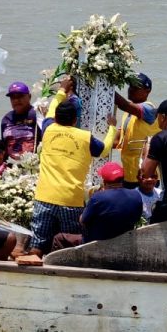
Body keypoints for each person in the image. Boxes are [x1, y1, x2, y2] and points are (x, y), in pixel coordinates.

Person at [25, 77, 117, 258]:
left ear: (56, 118)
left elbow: (51, 110)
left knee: (37, 244)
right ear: (75, 120)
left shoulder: (48, 128)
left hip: (44, 197)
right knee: (69, 245)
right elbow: (104, 149)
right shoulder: (85, 137)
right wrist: (112, 128)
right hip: (71, 201)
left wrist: (62, 90)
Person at [51, 162, 144, 250]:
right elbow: (136, 218)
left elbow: (83, 221)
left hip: (96, 243)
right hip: (124, 243)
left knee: (58, 238)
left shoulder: (98, 197)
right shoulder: (136, 195)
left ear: (104, 181)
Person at [115, 73, 160, 188]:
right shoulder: (128, 113)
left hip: (146, 177)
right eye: (130, 86)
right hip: (129, 175)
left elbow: (124, 104)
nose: (131, 90)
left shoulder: (148, 109)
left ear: (147, 90)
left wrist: (108, 90)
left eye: (136, 88)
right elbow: (117, 142)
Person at [1, 81, 41, 159]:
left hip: (33, 165)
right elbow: (4, 146)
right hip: (12, 167)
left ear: (29, 97)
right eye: (13, 98)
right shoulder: (7, 119)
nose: (16, 100)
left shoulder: (37, 115)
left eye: (20, 96)